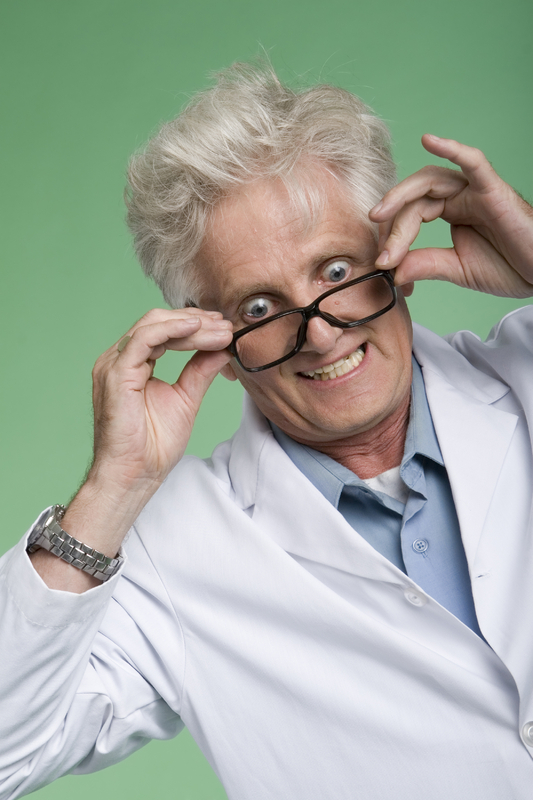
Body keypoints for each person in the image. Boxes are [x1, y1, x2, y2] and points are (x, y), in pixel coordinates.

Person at [1, 61, 533, 800]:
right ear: (212, 342)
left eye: (336, 271)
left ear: (396, 259)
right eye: (258, 308)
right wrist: (111, 490)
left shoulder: (522, 370)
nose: (320, 334)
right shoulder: (177, 552)